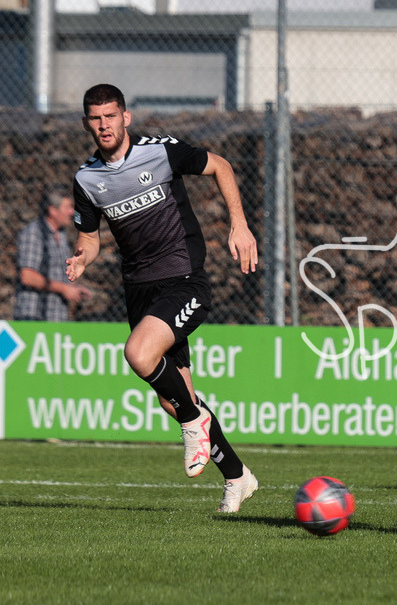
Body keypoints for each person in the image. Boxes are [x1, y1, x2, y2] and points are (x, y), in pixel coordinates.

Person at [66, 83, 261, 513]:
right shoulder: (87, 179)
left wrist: (239, 224)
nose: (104, 125)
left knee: (139, 354)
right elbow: (90, 238)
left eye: (111, 116)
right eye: (95, 119)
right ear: (86, 124)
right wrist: (82, 258)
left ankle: (195, 423)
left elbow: (222, 167)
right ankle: (237, 476)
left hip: (184, 281)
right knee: (174, 400)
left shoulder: (161, 151)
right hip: (139, 291)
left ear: (126, 118)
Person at [15, 190, 92, 321]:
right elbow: (27, 276)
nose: (72, 212)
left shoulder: (62, 234)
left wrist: (72, 289)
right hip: (33, 316)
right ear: (53, 210)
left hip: (56, 316)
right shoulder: (34, 234)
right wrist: (63, 289)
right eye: (67, 207)